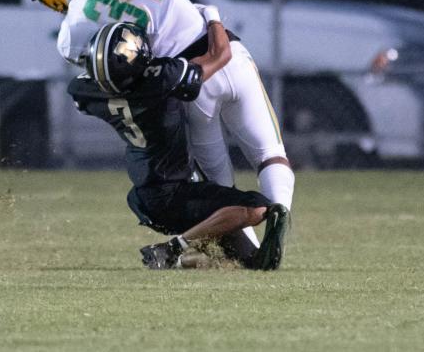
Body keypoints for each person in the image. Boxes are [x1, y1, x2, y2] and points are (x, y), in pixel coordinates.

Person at [25, 0, 295, 250]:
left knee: (218, 184)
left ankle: (250, 251)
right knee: (270, 154)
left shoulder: (72, 34)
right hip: (225, 49)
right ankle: (280, 211)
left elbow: (117, 76)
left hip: (186, 82)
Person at [69, 20, 288, 270]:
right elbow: (221, 54)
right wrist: (213, 17)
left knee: (253, 261)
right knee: (257, 208)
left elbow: (86, 87)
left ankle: (187, 259)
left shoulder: (84, 92)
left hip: (144, 196)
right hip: (174, 194)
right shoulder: (161, 81)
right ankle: (171, 250)